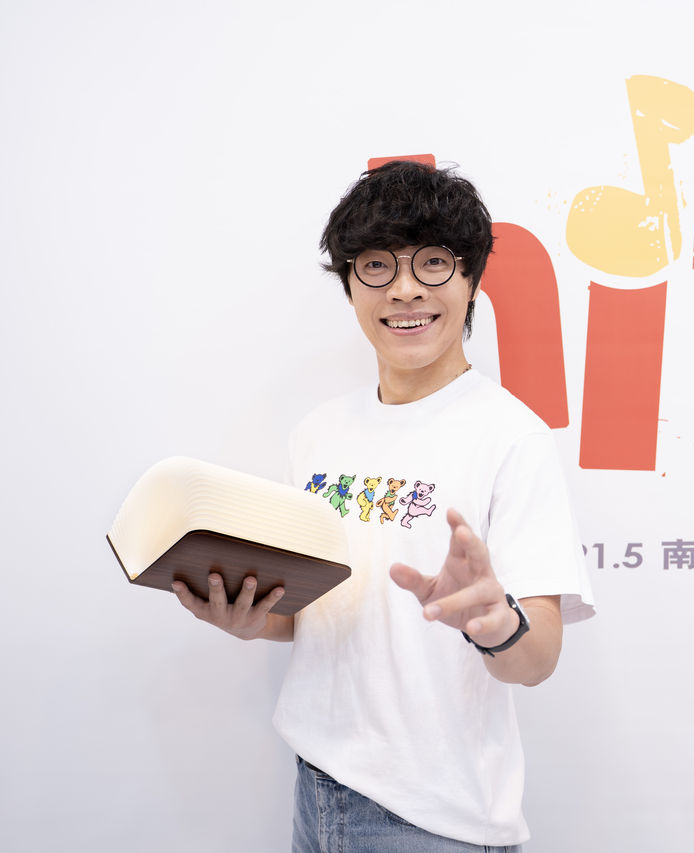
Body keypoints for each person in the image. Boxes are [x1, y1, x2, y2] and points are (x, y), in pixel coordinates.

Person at [171, 159, 594, 852]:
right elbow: (308, 616)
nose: (404, 289)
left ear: (470, 279)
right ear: (350, 286)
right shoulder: (317, 433)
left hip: (436, 819)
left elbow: (539, 654)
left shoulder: (512, 436)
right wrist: (251, 619)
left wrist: (495, 623)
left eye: (433, 263)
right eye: (376, 266)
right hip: (316, 786)